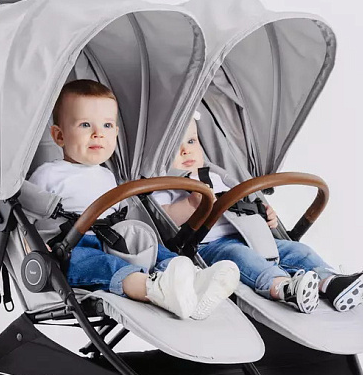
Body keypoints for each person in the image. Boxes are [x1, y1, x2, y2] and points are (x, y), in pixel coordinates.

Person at [28, 80, 240, 319]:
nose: (98, 133)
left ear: (116, 133)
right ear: (59, 136)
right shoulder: (48, 174)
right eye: (85, 124)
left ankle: (195, 282)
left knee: (156, 250)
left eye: (107, 125)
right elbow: (26, 219)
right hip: (71, 247)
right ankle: (154, 289)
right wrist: (33, 247)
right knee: (105, 265)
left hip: (113, 239)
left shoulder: (108, 175)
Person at [152, 115, 363, 314]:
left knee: (299, 251)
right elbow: (165, 219)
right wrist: (190, 204)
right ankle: (284, 287)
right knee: (242, 257)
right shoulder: (163, 186)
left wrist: (264, 216)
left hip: (251, 235)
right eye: (174, 147)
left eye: (191, 141)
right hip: (209, 246)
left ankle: (332, 282)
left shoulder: (215, 176)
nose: (186, 150)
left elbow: (241, 202)